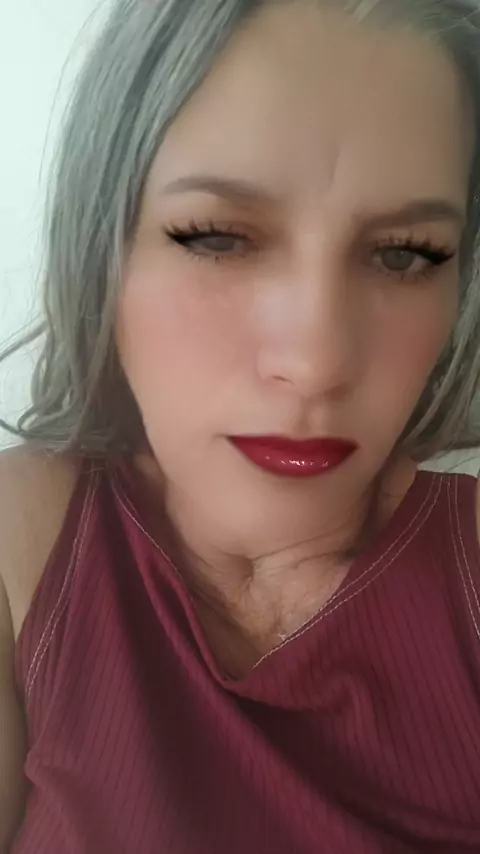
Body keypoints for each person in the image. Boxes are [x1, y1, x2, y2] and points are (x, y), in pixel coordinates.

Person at [1, 0, 480, 850]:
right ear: (104, 253)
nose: (317, 361)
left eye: (404, 252)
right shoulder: (25, 545)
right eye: (218, 238)